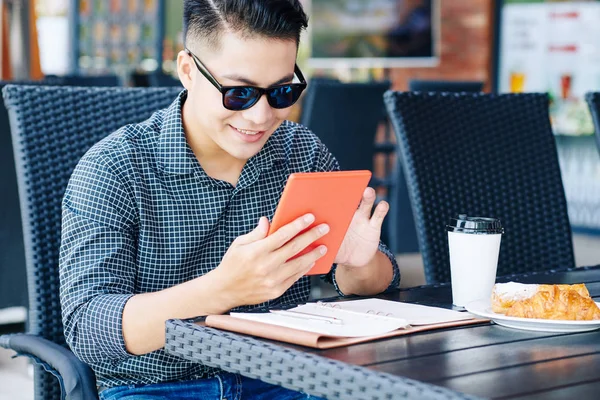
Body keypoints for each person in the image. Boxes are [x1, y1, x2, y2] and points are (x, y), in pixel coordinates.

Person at [59, 1, 400, 399]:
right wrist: (224, 289)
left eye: (281, 91)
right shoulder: (115, 168)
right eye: (239, 94)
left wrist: (360, 264)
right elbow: (87, 328)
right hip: (158, 387)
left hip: (287, 377)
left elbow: (374, 284)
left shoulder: (302, 154)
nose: (260, 117)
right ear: (188, 70)